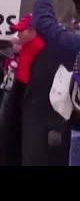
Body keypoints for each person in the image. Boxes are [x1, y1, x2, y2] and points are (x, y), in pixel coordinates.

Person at [7, 14, 71, 165]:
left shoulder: (45, 54)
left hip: (44, 128)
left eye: (22, 31)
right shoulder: (29, 51)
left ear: (33, 31)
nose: (18, 35)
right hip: (30, 124)